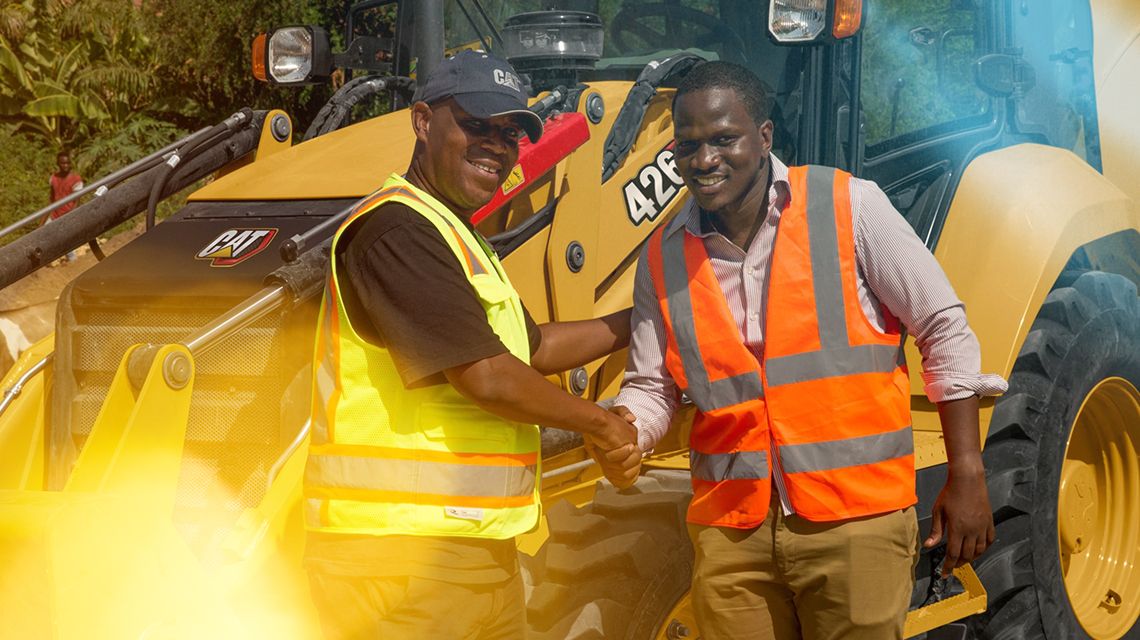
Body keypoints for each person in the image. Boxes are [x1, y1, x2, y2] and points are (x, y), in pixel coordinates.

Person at [612, 61, 1007, 640]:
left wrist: (967, 472)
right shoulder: (663, 255)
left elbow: (942, 327)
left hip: (855, 521)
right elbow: (651, 386)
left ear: (765, 136)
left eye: (724, 139)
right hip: (733, 530)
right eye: (688, 145)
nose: (704, 159)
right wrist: (625, 427)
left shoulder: (850, 206)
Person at [303, 50, 639, 640]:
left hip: (477, 557)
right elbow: (487, 375)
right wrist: (601, 424)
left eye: (511, 132)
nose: (498, 145)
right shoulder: (396, 229)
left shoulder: (458, 236)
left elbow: (531, 348)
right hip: (400, 563)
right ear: (423, 122)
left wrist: (643, 320)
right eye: (477, 125)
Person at [48, 150, 83, 262]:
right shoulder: (53, 178)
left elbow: (77, 201)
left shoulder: (76, 180)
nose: (65, 165)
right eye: (63, 163)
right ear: (58, 164)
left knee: (65, 241)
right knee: (43, 234)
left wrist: (70, 217)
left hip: (67, 214)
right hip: (54, 214)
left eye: (67, 163)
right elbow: (51, 199)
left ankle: (73, 262)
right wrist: (43, 221)